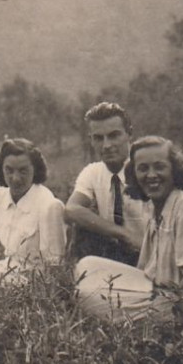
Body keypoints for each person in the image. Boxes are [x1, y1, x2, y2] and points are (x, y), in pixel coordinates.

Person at [74, 135, 183, 324]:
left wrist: (180, 323)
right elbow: (145, 273)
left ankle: (139, 318)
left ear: (175, 171)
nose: (151, 175)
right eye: (143, 169)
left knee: (86, 295)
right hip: (160, 291)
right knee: (88, 265)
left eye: (159, 167)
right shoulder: (156, 208)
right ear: (133, 174)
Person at [0, 138, 67, 270]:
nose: (15, 179)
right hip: (4, 272)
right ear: (1, 169)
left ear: (35, 170)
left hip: (30, 284)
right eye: (9, 170)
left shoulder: (49, 206)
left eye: (23, 171)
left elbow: (55, 265)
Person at [65, 101, 147, 265]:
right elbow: (72, 208)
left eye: (114, 135)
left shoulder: (146, 168)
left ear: (129, 134)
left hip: (152, 253)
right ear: (91, 140)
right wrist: (123, 234)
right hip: (118, 254)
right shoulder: (93, 172)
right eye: (98, 138)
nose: (107, 145)